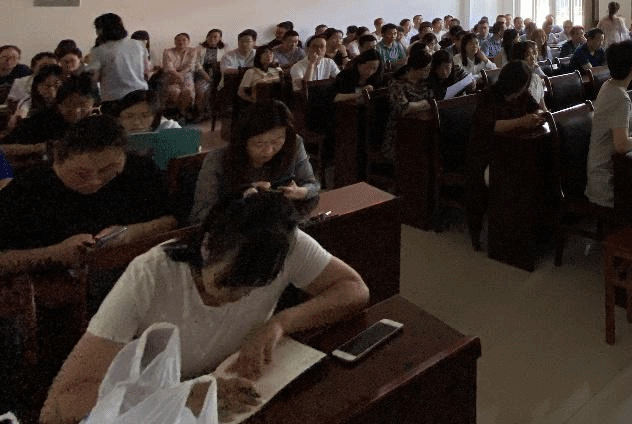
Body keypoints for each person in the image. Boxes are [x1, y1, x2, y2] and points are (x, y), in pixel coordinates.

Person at [41, 191, 368, 424]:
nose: (238, 298)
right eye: (228, 284)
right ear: (208, 245)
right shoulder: (151, 276)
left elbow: (353, 289)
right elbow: (58, 407)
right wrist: (182, 395)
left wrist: (279, 323)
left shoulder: (283, 244)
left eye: (255, 288)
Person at [0, 114, 175, 276]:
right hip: (58, 286)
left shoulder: (139, 171)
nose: (95, 181)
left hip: (136, 272)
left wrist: (129, 234)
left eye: (108, 170)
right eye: (82, 174)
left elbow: (173, 220)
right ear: (58, 159)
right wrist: (55, 254)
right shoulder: (28, 189)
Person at [191, 101, 320, 224]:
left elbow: (313, 185)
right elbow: (200, 214)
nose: (268, 151)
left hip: (280, 225)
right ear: (243, 141)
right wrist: (241, 198)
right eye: (259, 143)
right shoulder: (217, 160)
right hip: (235, 230)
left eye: (276, 142)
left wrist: (301, 192)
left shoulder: (293, 144)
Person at [466, 62, 548, 249]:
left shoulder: (523, 95)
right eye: (523, 85)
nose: (524, 89)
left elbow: (536, 109)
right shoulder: (488, 96)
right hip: (486, 155)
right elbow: (491, 126)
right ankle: (505, 234)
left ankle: (531, 231)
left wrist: (536, 116)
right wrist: (521, 121)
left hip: (513, 150)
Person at [586, 40, 632, 207]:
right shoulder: (619, 97)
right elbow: (621, 145)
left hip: (618, 166)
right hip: (608, 179)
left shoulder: (609, 85)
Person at [4, 73, 97, 156]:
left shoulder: (96, 123)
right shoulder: (39, 122)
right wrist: (41, 148)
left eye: (83, 106)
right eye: (70, 105)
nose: (76, 111)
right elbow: (4, 147)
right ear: (59, 104)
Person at [88, 13, 150, 111]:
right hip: (141, 95)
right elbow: (146, 72)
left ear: (101, 30)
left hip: (114, 99)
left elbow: (94, 78)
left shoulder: (99, 51)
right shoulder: (139, 45)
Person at [384, 46, 433, 158]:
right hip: (401, 129)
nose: (428, 72)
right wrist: (424, 103)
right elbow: (403, 108)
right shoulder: (397, 84)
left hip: (421, 124)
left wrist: (417, 105)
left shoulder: (424, 82)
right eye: (425, 69)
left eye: (429, 69)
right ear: (413, 68)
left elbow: (433, 101)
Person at [161, 33, 197, 117]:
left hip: (186, 74)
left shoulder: (193, 51)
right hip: (171, 75)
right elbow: (169, 67)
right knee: (174, 91)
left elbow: (190, 66)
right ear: (175, 42)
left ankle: (182, 111)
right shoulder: (168, 52)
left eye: (184, 40)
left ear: (188, 41)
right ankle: (174, 112)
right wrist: (178, 75)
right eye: (178, 40)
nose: (181, 42)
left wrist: (181, 74)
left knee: (188, 91)